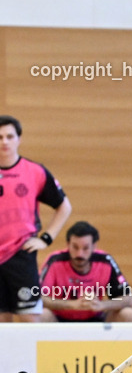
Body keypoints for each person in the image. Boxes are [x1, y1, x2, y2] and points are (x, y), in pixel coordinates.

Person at [0, 115, 73, 323]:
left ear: (18, 139)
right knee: (1, 321)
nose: (4, 141)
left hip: (21, 255)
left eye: (9, 136)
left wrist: (46, 238)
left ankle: (29, 358)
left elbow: (64, 206)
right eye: (0, 137)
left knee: (30, 318)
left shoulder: (35, 172)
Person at [39, 221, 132, 323]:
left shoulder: (105, 261)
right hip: (60, 320)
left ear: (94, 246)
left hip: (96, 319)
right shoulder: (55, 261)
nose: (80, 254)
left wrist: (102, 305)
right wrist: (72, 305)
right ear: (68, 244)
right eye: (75, 247)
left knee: (129, 314)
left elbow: (128, 299)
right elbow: (37, 297)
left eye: (85, 248)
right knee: (41, 314)